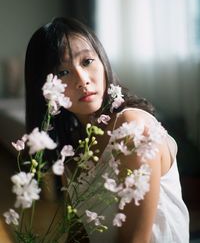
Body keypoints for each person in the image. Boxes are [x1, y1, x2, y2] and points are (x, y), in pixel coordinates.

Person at [25, 17, 189, 243]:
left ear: (102, 60)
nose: (82, 80)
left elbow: (135, 239)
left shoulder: (131, 129)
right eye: (62, 73)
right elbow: (78, 233)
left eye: (87, 61)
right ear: (44, 89)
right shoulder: (71, 151)